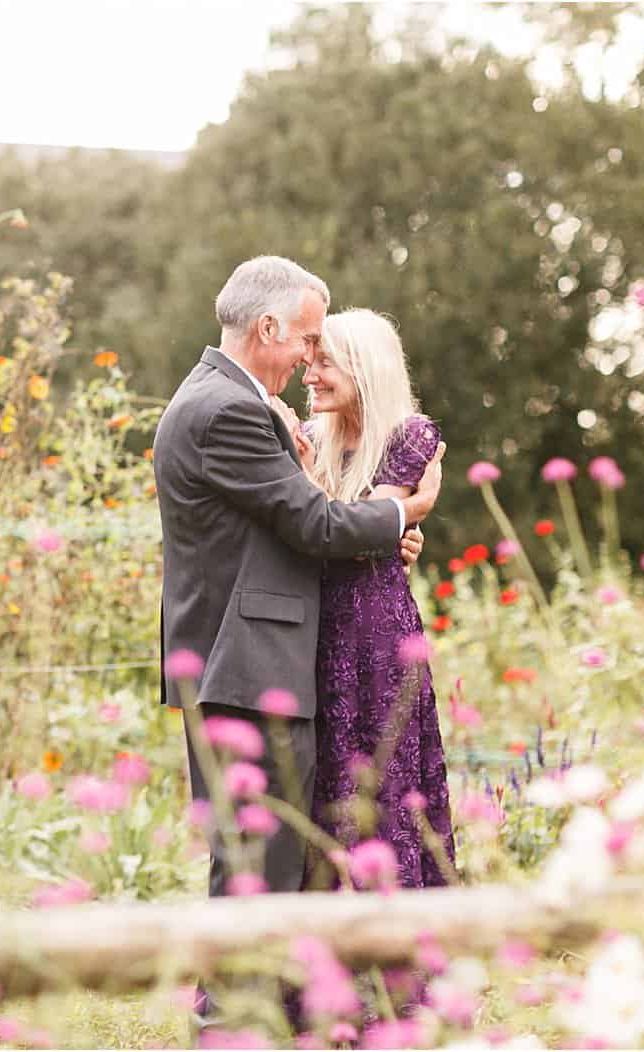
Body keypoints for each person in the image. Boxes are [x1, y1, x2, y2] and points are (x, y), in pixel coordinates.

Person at [150, 256, 443, 1023]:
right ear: (268, 327)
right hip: (248, 673)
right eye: (306, 340)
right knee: (256, 874)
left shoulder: (227, 402)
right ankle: (232, 1028)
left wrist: (381, 539)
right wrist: (403, 515)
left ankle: (266, 1022)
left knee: (271, 866)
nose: (309, 359)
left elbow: (286, 529)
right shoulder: (228, 410)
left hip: (246, 668)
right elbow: (312, 525)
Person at [292, 308, 456, 891]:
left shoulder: (409, 435)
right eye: (308, 362)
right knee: (325, 781)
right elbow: (351, 527)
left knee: (383, 775)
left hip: (376, 634)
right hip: (314, 630)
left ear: (363, 369)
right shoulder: (311, 437)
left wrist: (386, 525)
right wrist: (399, 522)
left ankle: (394, 944)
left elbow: (357, 528)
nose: (308, 375)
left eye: (324, 363)